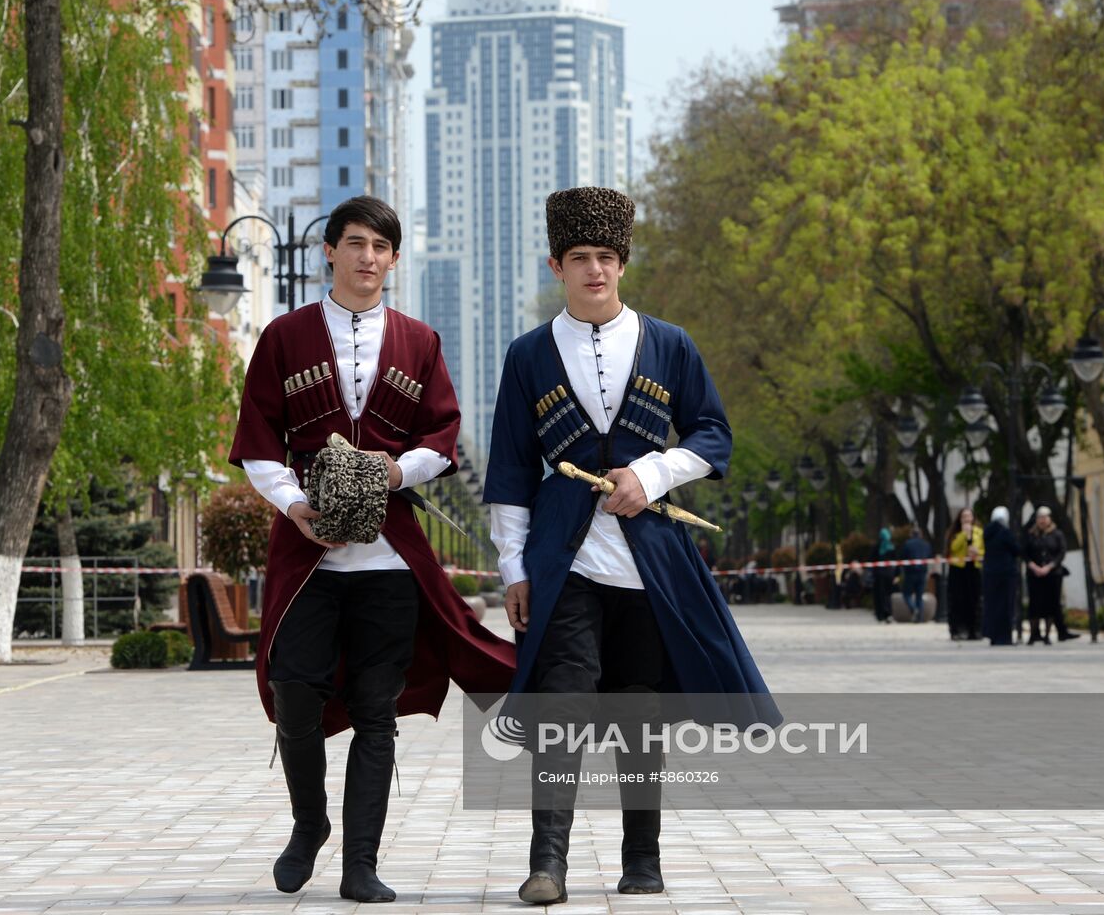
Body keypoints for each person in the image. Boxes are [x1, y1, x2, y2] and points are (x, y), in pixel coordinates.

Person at [483, 186, 777, 906]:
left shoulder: (670, 344)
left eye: (606, 257)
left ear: (622, 264)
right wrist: (513, 567)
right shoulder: (527, 356)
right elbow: (510, 469)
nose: (594, 270)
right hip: (563, 562)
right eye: (579, 257)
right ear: (555, 264)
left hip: (649, 563)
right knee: (562, 707)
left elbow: (712, 435)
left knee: (639, 713)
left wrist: (652, 473)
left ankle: (641, 860)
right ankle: (545, 864)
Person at [228, 195, 516, 903]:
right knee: (293, 691)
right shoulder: (284, 336)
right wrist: (294, 508)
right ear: (329, 251)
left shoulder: (418, 341)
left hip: (388, 562)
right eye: (353, 243)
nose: (366, 258)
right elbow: (259, 443)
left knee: (375, 711)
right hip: (307, 557)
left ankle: (362, 862)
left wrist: (394, 471)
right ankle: (308, 824)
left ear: (393, 257)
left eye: (379, 247)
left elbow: (440, 438)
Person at [1024, 506, 1069, 646]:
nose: (1042, 520)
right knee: (1035, 605)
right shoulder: (1031, 534)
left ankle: (1047, 635)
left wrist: (1049, 567)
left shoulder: (1057, 534)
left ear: (1050, 518)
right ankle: (1033, 634)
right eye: (1040, 517)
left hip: (1052, 574)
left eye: (1045, 517)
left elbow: (1061, 552)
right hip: (1034, 574)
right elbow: (1024, 552)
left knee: (1051, 604)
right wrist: (1033, 566)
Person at [982, 506, 1020, 646]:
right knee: (1005, 606)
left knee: (992, 605)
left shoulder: (987, 532)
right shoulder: (1005, 533)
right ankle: (1004, 637)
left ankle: (993, 635)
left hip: (990, 574)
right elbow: (1016, 549)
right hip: (1006, 574)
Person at [945, 509, 983, 640]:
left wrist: (977, 553)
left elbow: (984, 550)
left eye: (969, 516)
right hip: (958, 570)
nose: (967, 519)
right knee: (958, 601)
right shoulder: (955, 533)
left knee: (974, 600)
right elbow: (953, 548)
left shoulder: (979, 532)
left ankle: (975, 630)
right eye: (964, 516)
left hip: (973, 568)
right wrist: (964, 534)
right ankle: (958, 630)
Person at [899, 525, 934, 623]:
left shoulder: (908, 544)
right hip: (922, 572)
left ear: (911, 534)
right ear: (921, 534)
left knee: (906, 594)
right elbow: (930, 557)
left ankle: (914, 609)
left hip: (910, 573)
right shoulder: (926, 544)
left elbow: (902, 557)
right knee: (919, 596)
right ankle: (920, 618)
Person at [872, 527, 896, 623]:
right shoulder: (892, 547)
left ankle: (880, 614)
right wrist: (896, 574)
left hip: (878, 575)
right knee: (888, 594)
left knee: (879, 595)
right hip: (889, 575)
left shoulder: (876, 547)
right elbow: (896, 562)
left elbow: (871, 560)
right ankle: (888, 612)